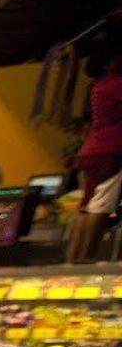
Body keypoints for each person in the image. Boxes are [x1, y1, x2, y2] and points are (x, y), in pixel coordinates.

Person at [67, 45, 122, 263]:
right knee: (101, 206)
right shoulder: (117, 84)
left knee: (86, 206)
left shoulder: (99, 86)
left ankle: (73, 260)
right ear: (108, 64)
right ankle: (86, 260)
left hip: (92, 150)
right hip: (111, 150)